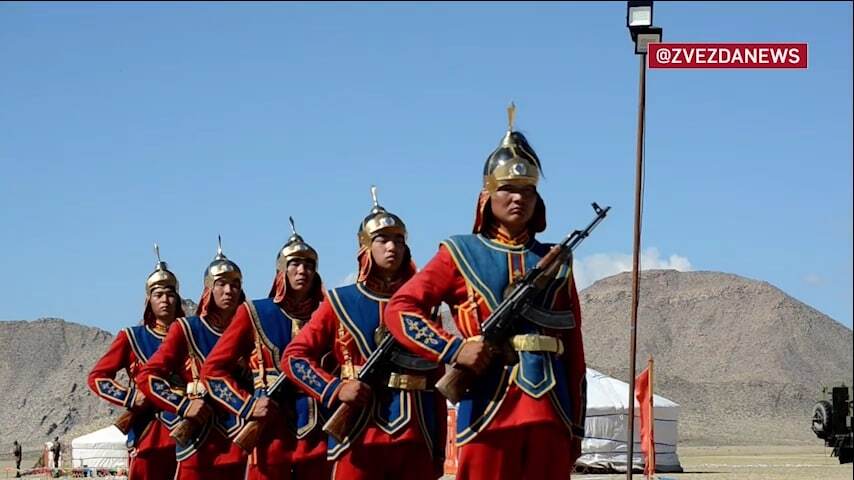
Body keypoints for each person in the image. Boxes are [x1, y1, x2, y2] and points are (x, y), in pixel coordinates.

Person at [384, 105, 587, 480]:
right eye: (507, 188)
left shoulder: (556, 259)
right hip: (487, 408)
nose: (518, 198)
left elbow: (574, 347)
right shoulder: (460, 252)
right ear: (487, 196)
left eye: (527, 190)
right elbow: (400, 310)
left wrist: (575, 425)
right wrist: (453, 349)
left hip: (551, 412)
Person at [282, 187, 446, 480]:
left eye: (398, 239)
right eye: (382, 240)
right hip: (358, 434)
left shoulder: (423, 305)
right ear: (366, 248)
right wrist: (334, 389)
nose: (392, 247)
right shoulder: (339, 302)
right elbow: (294, 358)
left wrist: (438, 448)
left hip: (416, 431)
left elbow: (436, 377)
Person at [203, 218, 330, 479]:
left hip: (320, 426)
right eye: (294, 264)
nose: (302, 270)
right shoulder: (255, 312)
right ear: (281, 271)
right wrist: (247, 406)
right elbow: (213, 370)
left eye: (309, 265)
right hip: (270, 427)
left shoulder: (327, 313)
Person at [135, 238, 248, 480]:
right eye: (221, 284)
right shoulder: (187, 329)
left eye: (235, 284)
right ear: (209, 289)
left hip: (241, 438)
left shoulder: (252, 328)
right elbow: (148, 377)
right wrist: (183, 405)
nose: (229, 290)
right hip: (200, 441)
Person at [87, 244, 184, 479]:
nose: (165, 300)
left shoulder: (190, 334)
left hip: (187, 429)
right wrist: (131, 397)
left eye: (170, 294)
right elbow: (97, 377)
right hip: (149, 431)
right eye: (158, 295)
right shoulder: (131, 337)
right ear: (148, 300)